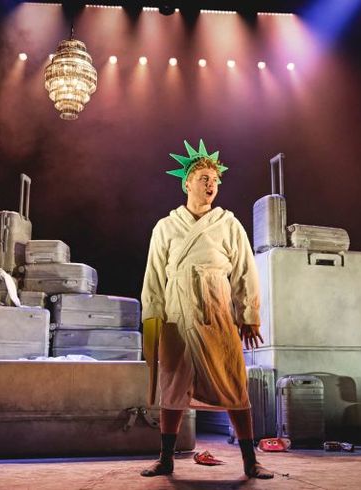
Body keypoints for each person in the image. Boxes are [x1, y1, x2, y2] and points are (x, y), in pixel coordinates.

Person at [140, 139, 274, 479]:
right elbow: (154, 277)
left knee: (233, 383)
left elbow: (245, 270)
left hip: (216, 312)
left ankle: (250, 461)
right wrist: (152, 322)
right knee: (172, 387)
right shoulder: (166, 227)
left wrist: (249, 315)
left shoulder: (228, 224)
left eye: (214, 179)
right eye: (203, 177)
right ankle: (166, 458)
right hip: (176, 315)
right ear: (187, 183)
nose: (210, 184)